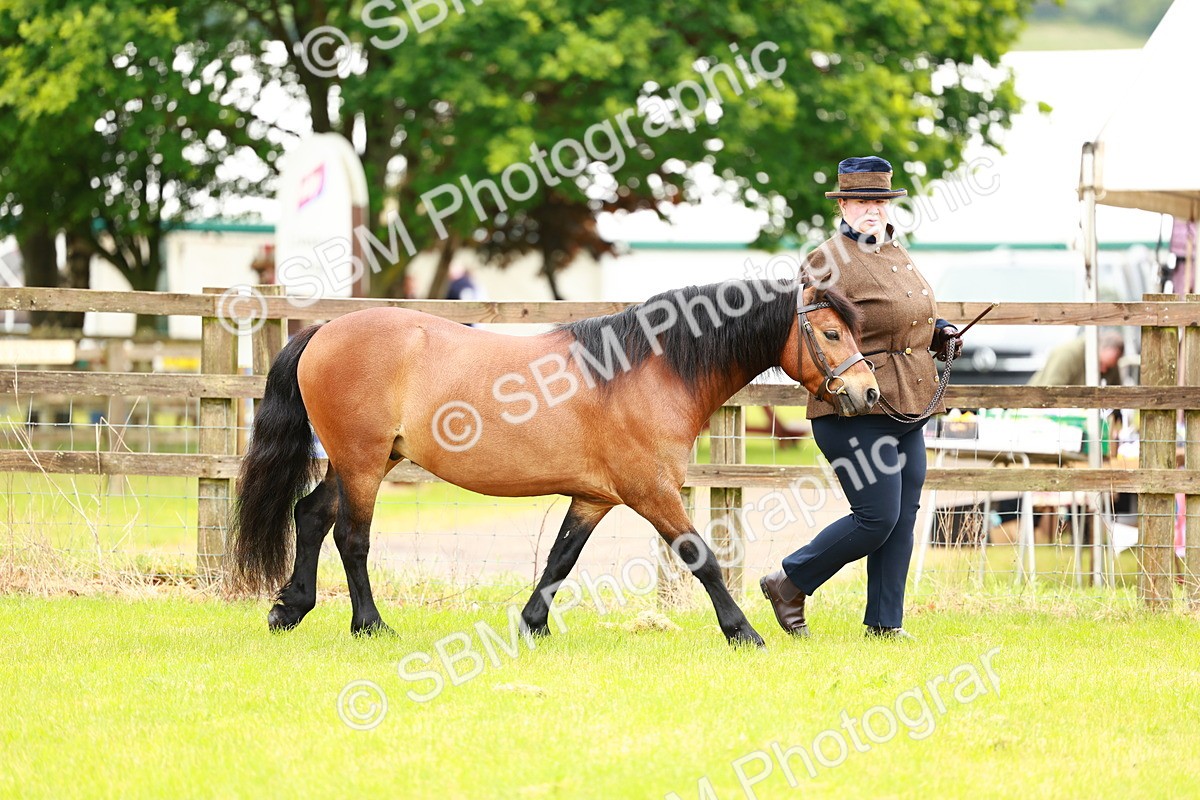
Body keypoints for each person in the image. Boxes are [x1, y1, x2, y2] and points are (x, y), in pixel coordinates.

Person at [759, 156, 959, 642]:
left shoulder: (895, 251)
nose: (873, 210)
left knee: (903, 518)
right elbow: (817, 335)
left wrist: (939, 333)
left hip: (908, 403)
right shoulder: (825, 261)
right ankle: (790, 580)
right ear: (843, 206)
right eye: (863, 201)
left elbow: (908, 319)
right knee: (876, 518)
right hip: (853, 409)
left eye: (880, 201)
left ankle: (885, 623)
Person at [1028, 332, 1124, 386]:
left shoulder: (1111, 364)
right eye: (1101, 364)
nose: (1104, 370)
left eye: (1108, 366)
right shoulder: (1067, 355)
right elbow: (1050, 390)